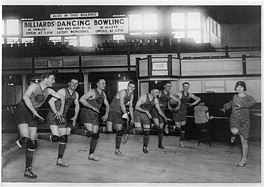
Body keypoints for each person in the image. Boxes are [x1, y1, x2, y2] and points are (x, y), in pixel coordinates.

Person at [14, 72, 65, 178]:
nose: (54, 81)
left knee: (32, 142)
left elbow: (62, 97)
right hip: (23, 110)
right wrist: (35, 112)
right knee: (25, 139)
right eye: (52, 79)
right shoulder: (34, 86)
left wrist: (61, 110)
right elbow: (25, 98)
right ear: (45, 78)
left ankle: (28, 170)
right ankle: (15, 143)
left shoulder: (49, 90)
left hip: (33, 112)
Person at [38, 78, 80, 167]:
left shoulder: (76, 94)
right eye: (72, 83)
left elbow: (77, 105)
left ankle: (59, 160)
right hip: (53, 115)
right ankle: (39, 136)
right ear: (69, 83)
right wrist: (56, 112)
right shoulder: (62, 91)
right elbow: (51, 101)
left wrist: (75, 116)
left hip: (62, 116)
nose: (74, 85)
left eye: (76, 84)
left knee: (64, 138)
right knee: (56, 138)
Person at [220, 81, 256, 167]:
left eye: (241, 87)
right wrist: (225, 107)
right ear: (236, 88)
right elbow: (230, 104)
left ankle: (244, 159)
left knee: (244, 141)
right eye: (238, 87)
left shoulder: (248, 97)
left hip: (245, 122)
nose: (239, 88)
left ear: (244, 88)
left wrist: (242, 105)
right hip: (234, 119)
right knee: (235, 131)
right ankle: (234, 135)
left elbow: (253, 102)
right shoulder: (235, 96)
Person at [79, 79, 110, 161]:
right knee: (91, 133)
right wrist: (92, 107)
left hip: (95, 114)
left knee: (96, 135)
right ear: (97, 84)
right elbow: (81, 99)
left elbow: (107, 105)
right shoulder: (92, 92)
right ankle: (72, 131)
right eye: (102, 83)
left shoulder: (103, 94)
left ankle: (91, 155)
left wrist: (106, 114)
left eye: (105, 83)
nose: (104, 85)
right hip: (87, 112)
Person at [134, 86, 171, 154]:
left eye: (158, 93)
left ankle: (145, 147)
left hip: (146, 115)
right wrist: (146, 111)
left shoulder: (155, 100)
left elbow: (159, 110)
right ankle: (133, 127)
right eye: (156, 92)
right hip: (138, 113)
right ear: (151, 91)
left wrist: (165, 117)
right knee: (139, 131)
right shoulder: (144, 97)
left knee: (147, 132)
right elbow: (136, 107)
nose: (157, 94)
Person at [106, 81, 136, 156]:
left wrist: (132, 117)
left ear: (134, 88)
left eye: (133, 87)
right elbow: (122, 104)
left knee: (119, 131)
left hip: (119, 112)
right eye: (130, 86)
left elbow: (131, 107)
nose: (131, 88)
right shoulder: (123, 92)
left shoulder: (131, 95)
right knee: (109, 131)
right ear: (127, 86)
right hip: (112, 111)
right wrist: (126, 114)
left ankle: (117, 149)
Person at [150, 81, 181, 149]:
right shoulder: (160, 92)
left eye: (170, 86)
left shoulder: (170, 95)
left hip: (162, 112)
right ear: (164, 86)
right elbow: (152, 97)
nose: (169, 87)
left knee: (161, 129)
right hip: (155, 110)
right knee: (158, 126)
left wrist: (178, 106)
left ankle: (160, 144)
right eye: (167, 86)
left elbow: (178, 100)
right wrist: (157, 103)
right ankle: (153, 125)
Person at [174, 82, 201, 147]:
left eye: (187, 86)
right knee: (178, 127)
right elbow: (170, 98)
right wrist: (175, 104)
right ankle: (172, 126)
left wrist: (192, 104)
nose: (186, 88)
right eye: (185, 86)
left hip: (184, 111)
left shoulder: (190, 94)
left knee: (183, 127)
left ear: (189, 87)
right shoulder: (178, 93)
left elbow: (198, 99)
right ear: (182, 87)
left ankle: (181, 142)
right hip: (177, 111)